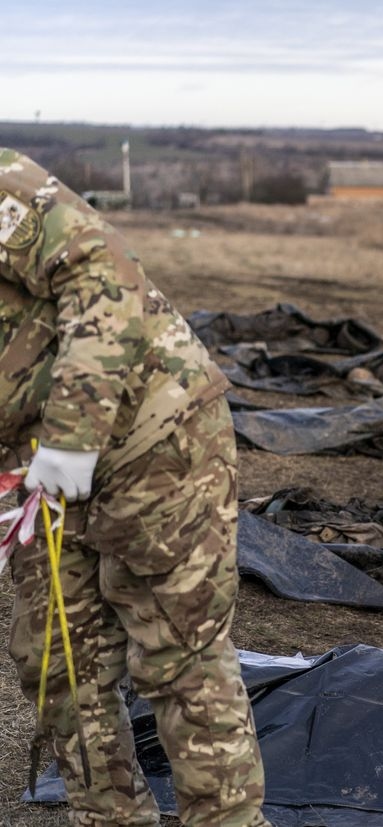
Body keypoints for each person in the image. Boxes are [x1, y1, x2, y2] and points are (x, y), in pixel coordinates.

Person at [0, 149, 271, 825]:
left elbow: (102, 272)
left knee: (177, 654)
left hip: (155, 435)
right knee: (57, 662)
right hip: (38, 473)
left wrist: (69, 435)